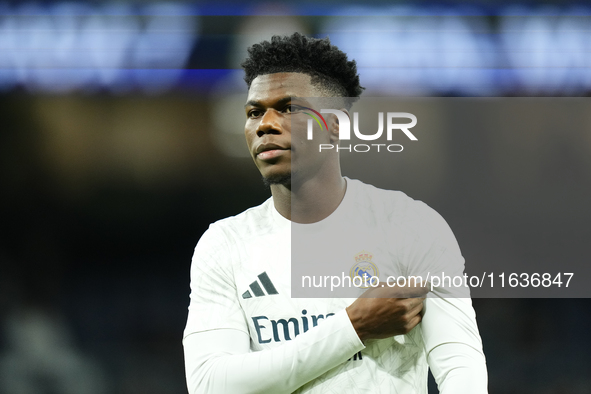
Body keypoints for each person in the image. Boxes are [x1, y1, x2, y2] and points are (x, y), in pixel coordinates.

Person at [183, 33, 487, 393]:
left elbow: (462, 371)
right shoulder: (225, 245)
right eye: (254, 112)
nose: (265, 123)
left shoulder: (410, 226)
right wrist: (353, 326)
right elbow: (209, 385)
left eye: (289, 108)